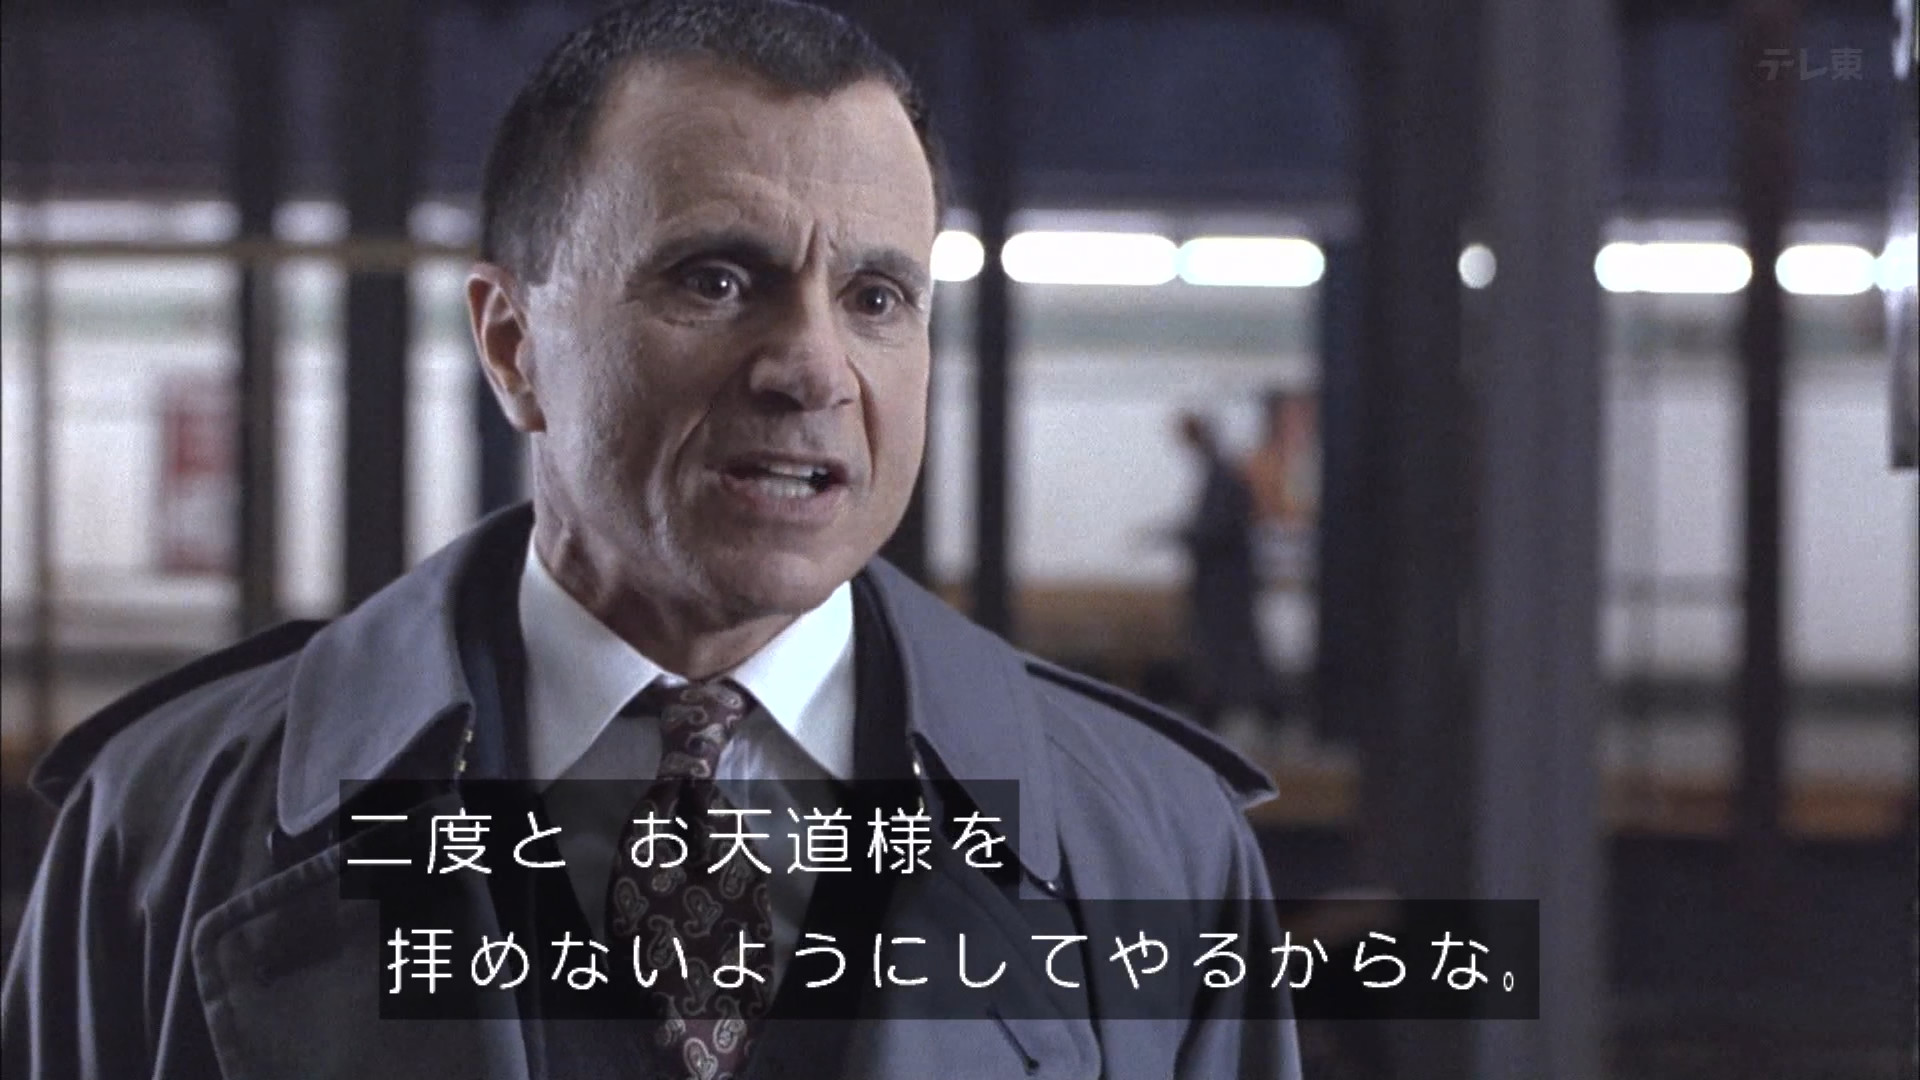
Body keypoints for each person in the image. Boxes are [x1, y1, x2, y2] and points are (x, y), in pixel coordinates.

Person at [0, 3, 1301, 1078]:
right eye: (714, 280)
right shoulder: (163, 829)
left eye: (875, 296)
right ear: (513, 344)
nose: (812, 367)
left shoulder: (1158, 843)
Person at [1174, 410, 1281, 734]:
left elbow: (1219, 529)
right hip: (1224, 585)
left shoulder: (1222, 477)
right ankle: (1240, 712)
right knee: (1232, 653)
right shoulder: (1221, 474)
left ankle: (1264, 712)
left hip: (1225, 586)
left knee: (1231, 653)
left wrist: (1185, 535)